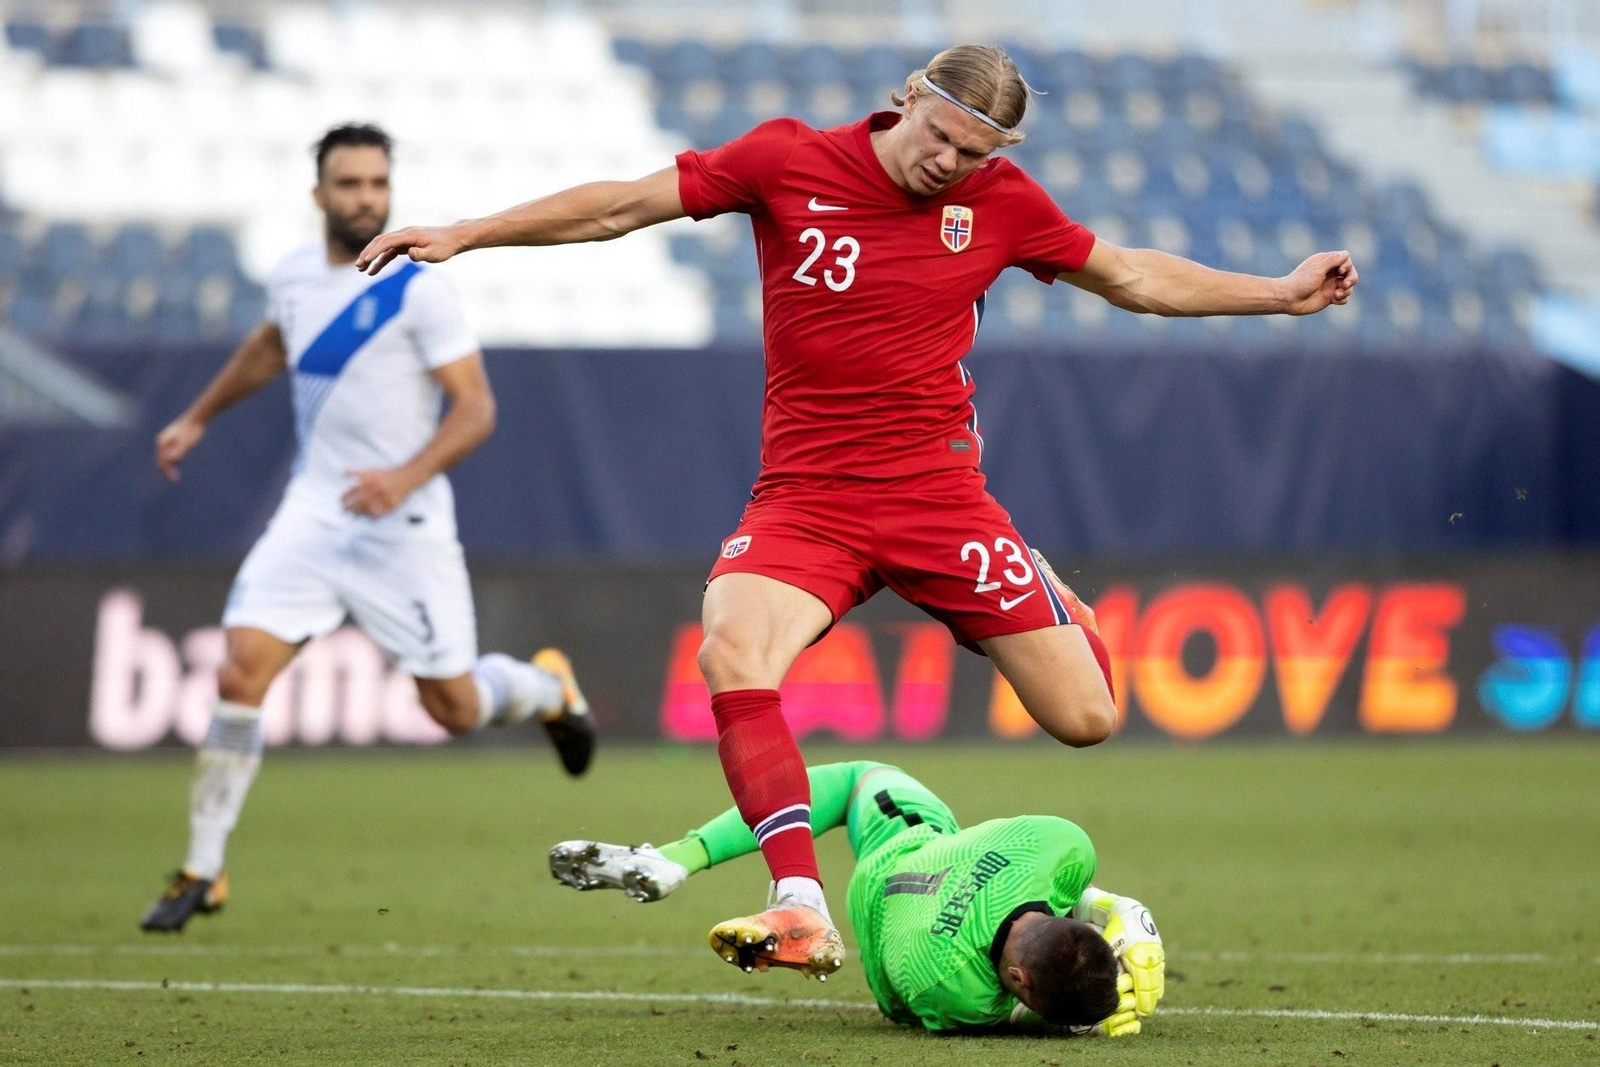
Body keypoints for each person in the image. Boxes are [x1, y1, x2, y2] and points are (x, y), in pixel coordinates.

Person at [356, 44, 1357, 976]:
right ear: (909, 95)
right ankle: (797, 897)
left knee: (1086, 717)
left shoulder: (999, 202)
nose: (947, 163)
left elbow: (1131, 274)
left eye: (973, 153)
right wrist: (467, 232)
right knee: (730, 651)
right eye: (940, 135)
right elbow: (621, 207)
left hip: (940, 498)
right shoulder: (785, 158)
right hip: (808, 500)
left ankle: (1041, 584)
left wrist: (1278, 293)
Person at [140, 123, 596, 933]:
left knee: (453, 708)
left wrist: (403, 476)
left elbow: (477, 408)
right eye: (349, 184)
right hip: (313, 513)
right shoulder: (290, 276)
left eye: (377, 185)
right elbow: (270, 345)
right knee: (239, 674)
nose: (365, 199)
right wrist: (196, 418)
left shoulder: (417, 287)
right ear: (319, 193)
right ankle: (201, 870)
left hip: (404, 523)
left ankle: (545, 686)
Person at [550, 760, 1165, 1036]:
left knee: (856, 777)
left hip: (915, 839)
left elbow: (1070, 906)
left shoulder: (1060, 842)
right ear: (1016, 975)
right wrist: (1086, 1019)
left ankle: (677, 857)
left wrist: (1116, 913)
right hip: (886, 922)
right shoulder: (959, 996)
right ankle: (810, 915)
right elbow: (1020, 1014)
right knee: (903, 1010)